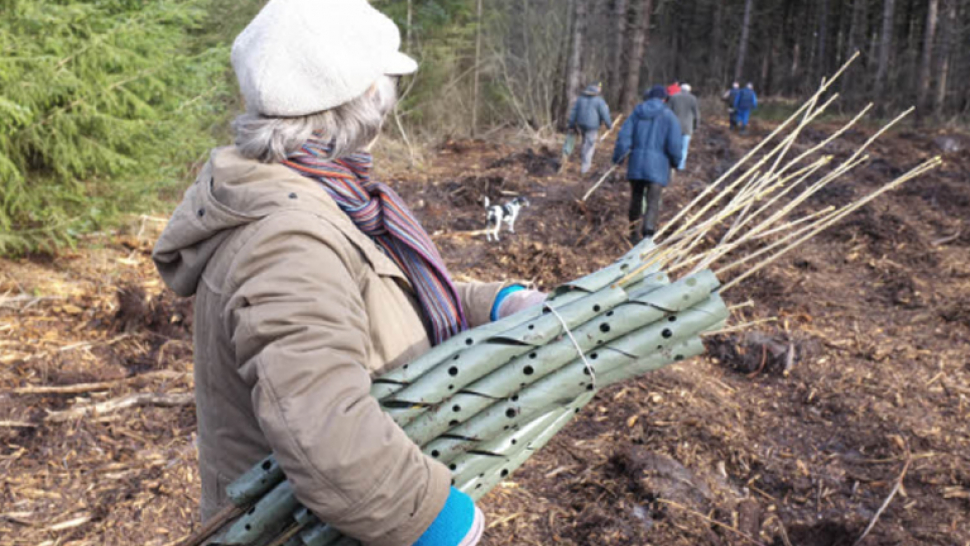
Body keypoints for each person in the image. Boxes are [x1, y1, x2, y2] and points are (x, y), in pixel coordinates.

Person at [151, 1, 544, 545]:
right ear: (362, 102)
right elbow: (323, 431)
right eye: (385, 85)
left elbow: (373, 297)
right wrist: (434, 522)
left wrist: (496, 305)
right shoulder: (288, 241)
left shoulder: (324, 197)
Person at [612, 85, 683, 244]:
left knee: (636, 198)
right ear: (665, 98)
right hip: (658, 166)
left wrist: (618, 158)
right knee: (653, 200)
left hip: (636, 163)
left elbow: (623, 138)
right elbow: (674, 144)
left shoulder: (636, 114)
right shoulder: (669, 117)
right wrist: (676, 162)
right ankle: (648, 234)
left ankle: (633, 233)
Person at [567, 82, 612, 174]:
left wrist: (571, 125)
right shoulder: (599, 101)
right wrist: (609, 125)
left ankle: (584, 162)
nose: (600, 89)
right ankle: (585, 169)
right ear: (595, 89)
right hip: (592, 127)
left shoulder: (580, 99)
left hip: (581, 125)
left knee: (584, 143)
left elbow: (573, 113)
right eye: (599, 87)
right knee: (589, 147)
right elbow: (605, 114)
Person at [666, 83, 700, 170]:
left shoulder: (674, 97)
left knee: (673, 146)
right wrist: (696, 126)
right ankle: (680, 166)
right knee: (684, 148)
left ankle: (671, 163)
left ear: (680, 89)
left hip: (674, 126)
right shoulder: (693, 99)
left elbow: (667, 111)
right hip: (687, 127)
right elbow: (696, 114)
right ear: (689, 90)